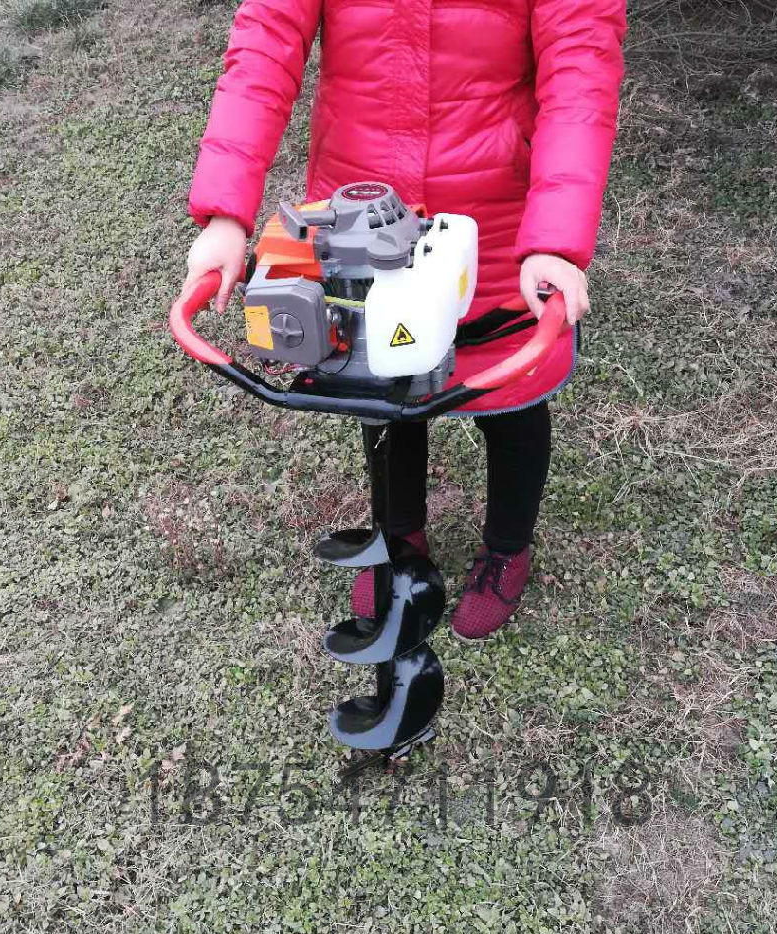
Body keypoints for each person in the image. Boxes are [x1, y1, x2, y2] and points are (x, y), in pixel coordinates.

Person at [181, 0, 626, 640]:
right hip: (360, 215)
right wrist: (227, 213)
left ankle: (507, 547)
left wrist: (555, 239)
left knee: (509, 395)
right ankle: (397, 537)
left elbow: (579, 71)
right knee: (384, 382)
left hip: (497, 215)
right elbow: (264, 46)